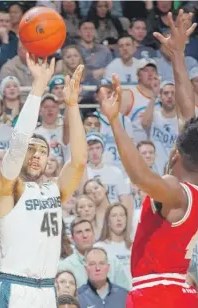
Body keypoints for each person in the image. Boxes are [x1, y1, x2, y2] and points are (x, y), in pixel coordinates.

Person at [100, 10, 198, 308]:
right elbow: (187, 113)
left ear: (174, 154)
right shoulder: (191, 187)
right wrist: (177, 55)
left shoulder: (175, 190)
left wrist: (115, 121)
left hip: (159, 294)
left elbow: (141, 177)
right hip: (180, 292)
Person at [0, 55, 87, 308]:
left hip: (46, 290)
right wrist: (38, 87)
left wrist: (73, 106)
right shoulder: (8, 187)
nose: (36, 156)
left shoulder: (54, 190)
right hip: (14, 287)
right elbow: (19, 141)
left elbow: (78, 161)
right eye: (31, 150)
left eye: (42, 151)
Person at [58, 218, 130, 290]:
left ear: (94, 234)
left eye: (88, 230)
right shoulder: (65, 267)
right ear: (72, 239)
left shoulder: (113, 262)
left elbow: (125, 291)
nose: (85, 235)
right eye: (79, 232)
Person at [141, 80, 178, 175]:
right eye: (166, 93)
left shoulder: (181, 120)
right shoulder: (154, 115)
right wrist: (154, 96)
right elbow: (144, 123)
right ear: (160, 97)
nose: (170, 96)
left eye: (173, 93)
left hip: (174, 169)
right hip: (154, 168)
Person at [86, 131, 131, 203]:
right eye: (91, 149)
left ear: (103, 149)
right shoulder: (82, 174)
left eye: (98, 148)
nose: (94, 152)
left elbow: (125, 200)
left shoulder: (116, 172)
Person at [95, 204, 132, 285]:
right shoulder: (99, 248)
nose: (119, 219)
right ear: (108, 222)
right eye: (114, 216)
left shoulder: (134, 247)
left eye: (122, 215)